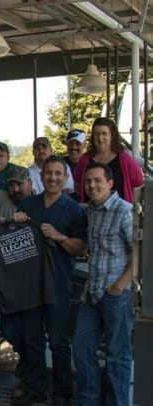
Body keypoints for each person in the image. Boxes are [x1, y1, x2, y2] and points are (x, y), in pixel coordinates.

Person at [12, 156, 88, 406]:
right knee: (32, 340)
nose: (53, 178)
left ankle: (62, 393)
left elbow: (80, 249)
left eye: (58, 174)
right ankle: (36, 390)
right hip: (31, 285)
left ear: (66, 178)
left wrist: (59, 236)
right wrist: (17, 221)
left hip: (59, 284)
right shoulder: (29, 204)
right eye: (48, 173)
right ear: (41, 176)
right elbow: (16, 239)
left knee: (59, 342)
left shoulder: (75, 209)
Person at [73, 162, 135, 406]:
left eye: (97, 180)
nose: (92, 185)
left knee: (117, 356)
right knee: (81, 349)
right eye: (88, 181)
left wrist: (120, 285)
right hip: (92, 293)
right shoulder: (92, 211)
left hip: (116, 296)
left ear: (110, 183)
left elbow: (141, 253)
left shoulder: (124, 211)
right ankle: (89, 400)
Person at [73, 117, 144, 203]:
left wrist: (132, 210)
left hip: (119, 212)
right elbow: (77, 183)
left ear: (112, 135)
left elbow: (138, 184)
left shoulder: (125, 159)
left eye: (104, 134)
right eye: (97, 134)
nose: (100, 138)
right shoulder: (85, 159)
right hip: (91, 211)